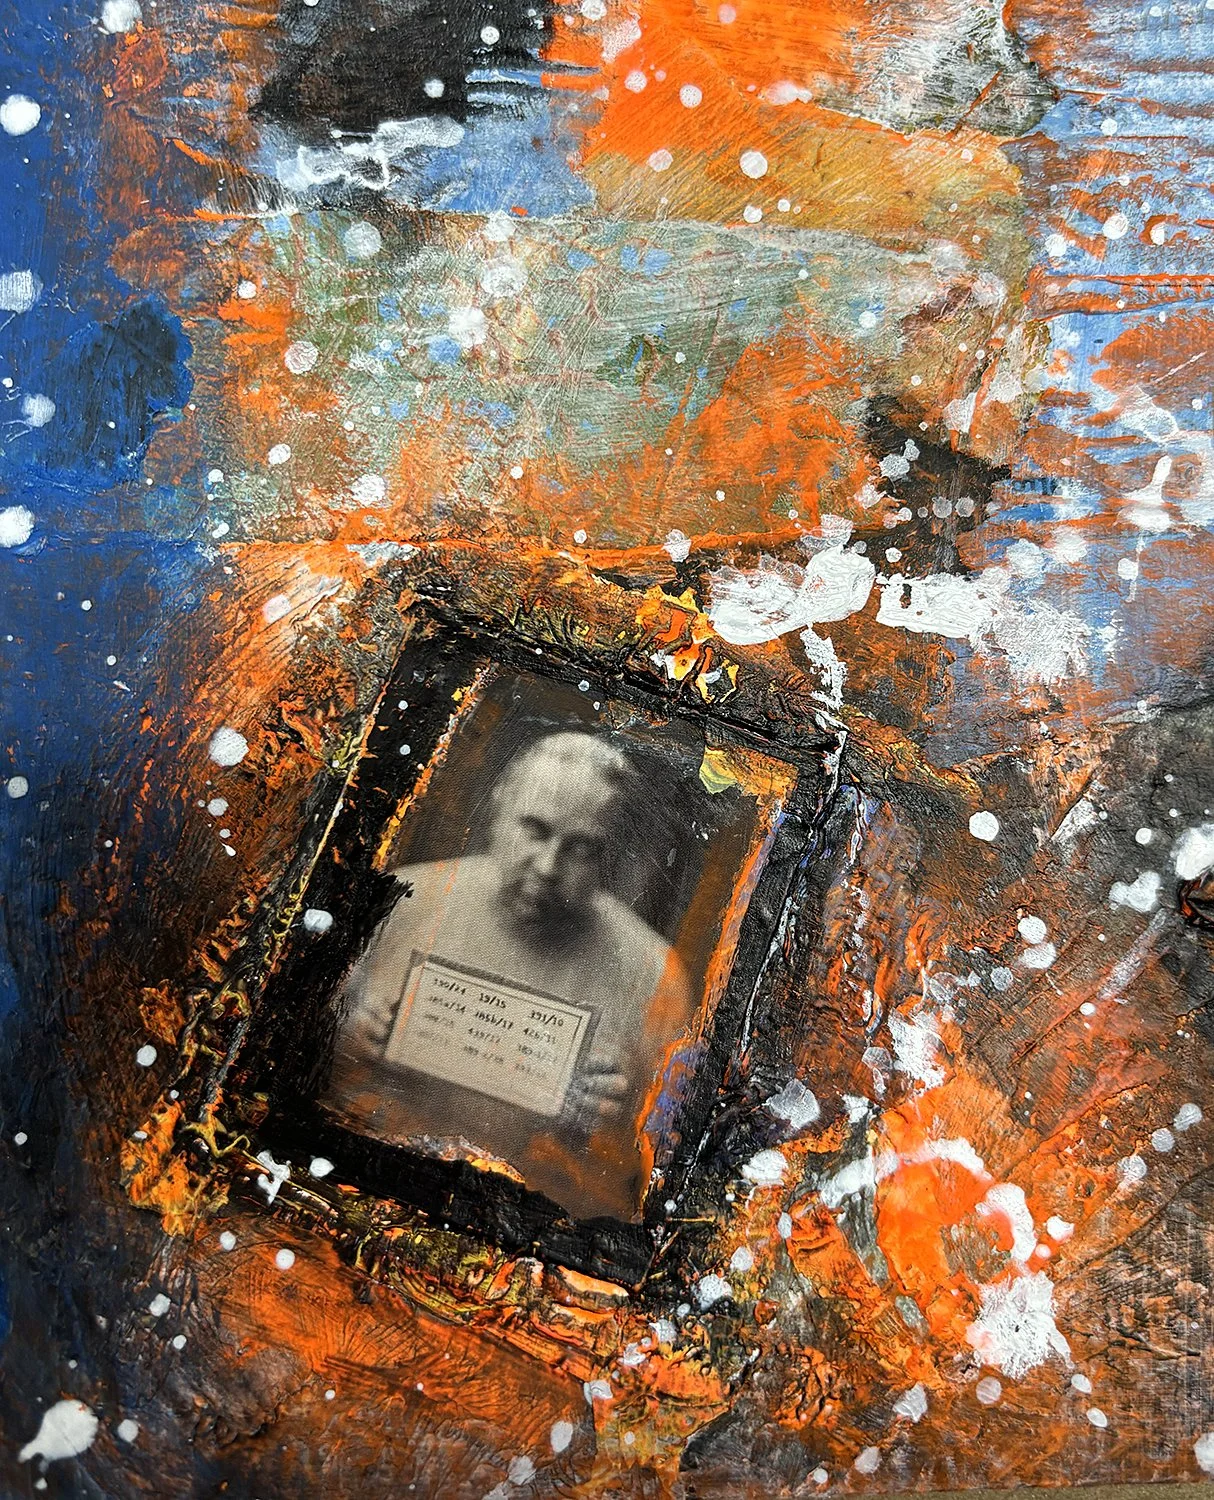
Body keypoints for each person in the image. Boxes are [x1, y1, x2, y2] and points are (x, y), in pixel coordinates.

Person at [325, 730, 696, 1218]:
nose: (548, 867)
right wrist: (343, 1037)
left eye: (582, 848)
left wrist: (617, 1116)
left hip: (521, 1216)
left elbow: (651, 1171)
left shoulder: (653, 975)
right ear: (499, 811)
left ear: (610, 855)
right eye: (535, 830)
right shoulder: (402, 902)